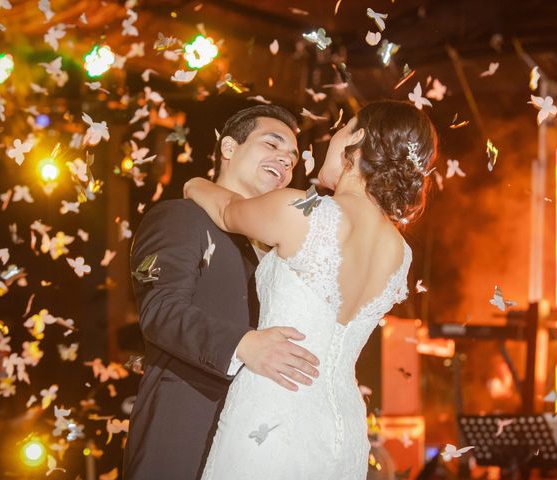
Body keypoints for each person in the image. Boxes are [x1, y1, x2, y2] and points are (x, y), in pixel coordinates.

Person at [184, 100, 438, 479]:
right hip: (344, 427)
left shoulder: (304, 211)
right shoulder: (400, 252)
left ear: (358, 138)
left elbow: (225, 210)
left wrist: (192, 182)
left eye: (342, 129)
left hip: (273, 408)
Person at [123, 104, 321, 480]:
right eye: (272, 145)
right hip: (187, 423)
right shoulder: (179, 216)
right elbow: (160, 311)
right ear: (228, 148)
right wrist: (243, 344)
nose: (285, 160)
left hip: (255, 437)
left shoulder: (273, 244)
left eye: (292, 158)